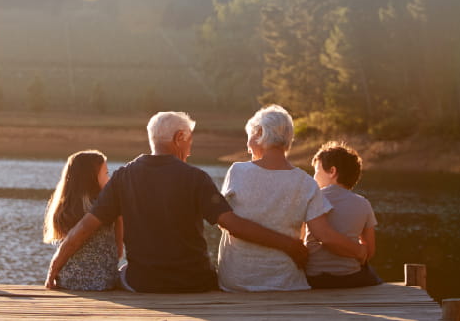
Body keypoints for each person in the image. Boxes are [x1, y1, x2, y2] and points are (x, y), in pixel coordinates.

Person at [45, 111, 308, 293]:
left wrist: (54, 268)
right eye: (189, 140)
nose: (191, 149)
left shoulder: (124, 176)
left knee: (124, 271)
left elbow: (84, 228)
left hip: (143, 283)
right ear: (179, 138)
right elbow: (232, 224)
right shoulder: (196, 177)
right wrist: (289, 245)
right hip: (195, 282)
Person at [217, 105, 367, 292]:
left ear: (260, 132)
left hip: (237, 281)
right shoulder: (306, 182)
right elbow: (326, 236)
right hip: (285, 283)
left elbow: (225, 222)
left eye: (249, 137)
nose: (247, 147)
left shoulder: (238, 171)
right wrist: (360, 251)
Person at [305, 141, 383, 288]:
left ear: (332, 171)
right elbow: (370, 251)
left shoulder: (311, 199)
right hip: (350, 278)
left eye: (316, 171)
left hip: (315, 279)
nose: (313, 176)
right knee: (371, 274)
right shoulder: (363, 204)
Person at [43, 150, 124, 290]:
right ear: (91, 178)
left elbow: (69, 245)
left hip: (68, 281)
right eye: (106, 174)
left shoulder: (64, 207)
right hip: (102, 283)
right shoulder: (107, 207)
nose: (109, 178)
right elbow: (118, 252)